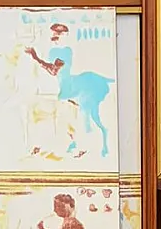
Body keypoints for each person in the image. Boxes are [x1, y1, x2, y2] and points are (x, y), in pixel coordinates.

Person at [25, 22, 112, 160]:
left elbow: (53, 70)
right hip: (56, 89)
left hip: (64, 90)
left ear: (64, 35)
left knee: (65, 121)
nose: (55, 36)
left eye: (58, 34)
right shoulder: (52, 51)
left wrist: (35, 57)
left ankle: (80, 146)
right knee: (56, 119)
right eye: (54, 33)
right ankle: (42, 145)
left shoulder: (66, 51)